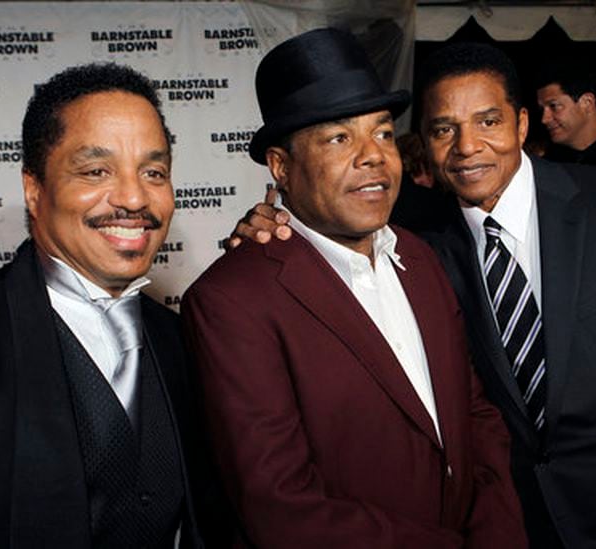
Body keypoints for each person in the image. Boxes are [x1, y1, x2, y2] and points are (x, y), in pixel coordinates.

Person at [235, 42, 596, 549]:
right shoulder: (412, 246)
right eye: (444, 129)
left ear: (522, 125)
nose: (467, 147)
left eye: (488, 121)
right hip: (520, 528)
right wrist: (266, 227)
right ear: (423, 140)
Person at [181, 29, 527, 549]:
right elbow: (280, 508)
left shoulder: (420, 257)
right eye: (340, 138)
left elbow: (476, 417)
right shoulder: (232, 301)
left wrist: (497, 535)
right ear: (281, 167)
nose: (373, 156)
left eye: (384, 134)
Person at [0, 63, 229, 548]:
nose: (133, 196)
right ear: (34, 190)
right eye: (96, 170)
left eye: (154, 172)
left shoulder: (182, 342)